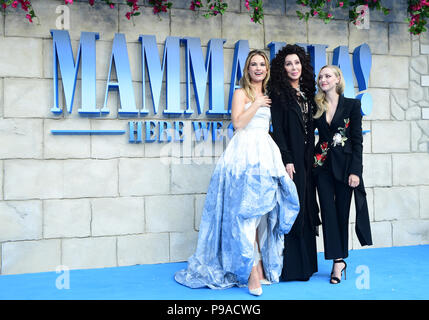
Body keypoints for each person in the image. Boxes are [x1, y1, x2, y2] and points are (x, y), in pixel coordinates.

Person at [175, 50, 300, 296]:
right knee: (245, 211)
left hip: (265, 152)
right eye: (253, 64)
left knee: (264, 210)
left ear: (267, 69)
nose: (258, 68)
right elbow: (238, 123)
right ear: (247, 69)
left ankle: (262, 262)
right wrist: (256, 104)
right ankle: (252, 271)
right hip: (243, 154)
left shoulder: (270, 94)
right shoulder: (241, 92)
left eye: (262, 64)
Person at [312, 65, 372, 284]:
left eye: (328, 76)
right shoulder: (316, 106)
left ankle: (341, 260)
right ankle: (337, 262)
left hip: (346, 168)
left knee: (341, 213)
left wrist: (356, 170)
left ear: (338, 79)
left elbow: (357, 140)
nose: (323, 79)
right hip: (321, 166)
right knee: (328, 212)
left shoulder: (352, 105)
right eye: (320, 77)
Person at [269, 44, 321, 282]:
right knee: (294, 207)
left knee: (309, 205)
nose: (293, 67)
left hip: (309, 159)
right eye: (289, 63)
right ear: (282, 67)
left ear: (303, 66)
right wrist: (287, 159)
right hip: (292, 160)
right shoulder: (278, 94)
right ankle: (291, 268)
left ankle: (308, 265)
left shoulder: (308, 93)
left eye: (297, 63)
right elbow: (278, 130)